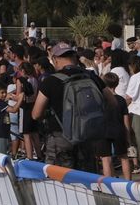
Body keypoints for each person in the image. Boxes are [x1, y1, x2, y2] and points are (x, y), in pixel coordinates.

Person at [33, 42, 105, 171]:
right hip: (87, 135)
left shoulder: (51, 81)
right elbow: (112, 102)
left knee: (59, 182)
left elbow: (36, 113)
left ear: (54, 60)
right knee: (86, 180)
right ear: (74, 57)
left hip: (60, 137)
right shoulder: (91, 76)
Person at [99, 72, 132, 180]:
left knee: (106, 159)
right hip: (119, 130)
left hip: (104, 130)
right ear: (117, 84)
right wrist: (128, 137)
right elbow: (126, 121)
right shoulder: (121, 100)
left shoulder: (101, 99)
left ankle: (109, 185)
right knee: (124, 157)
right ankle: (128, 183)